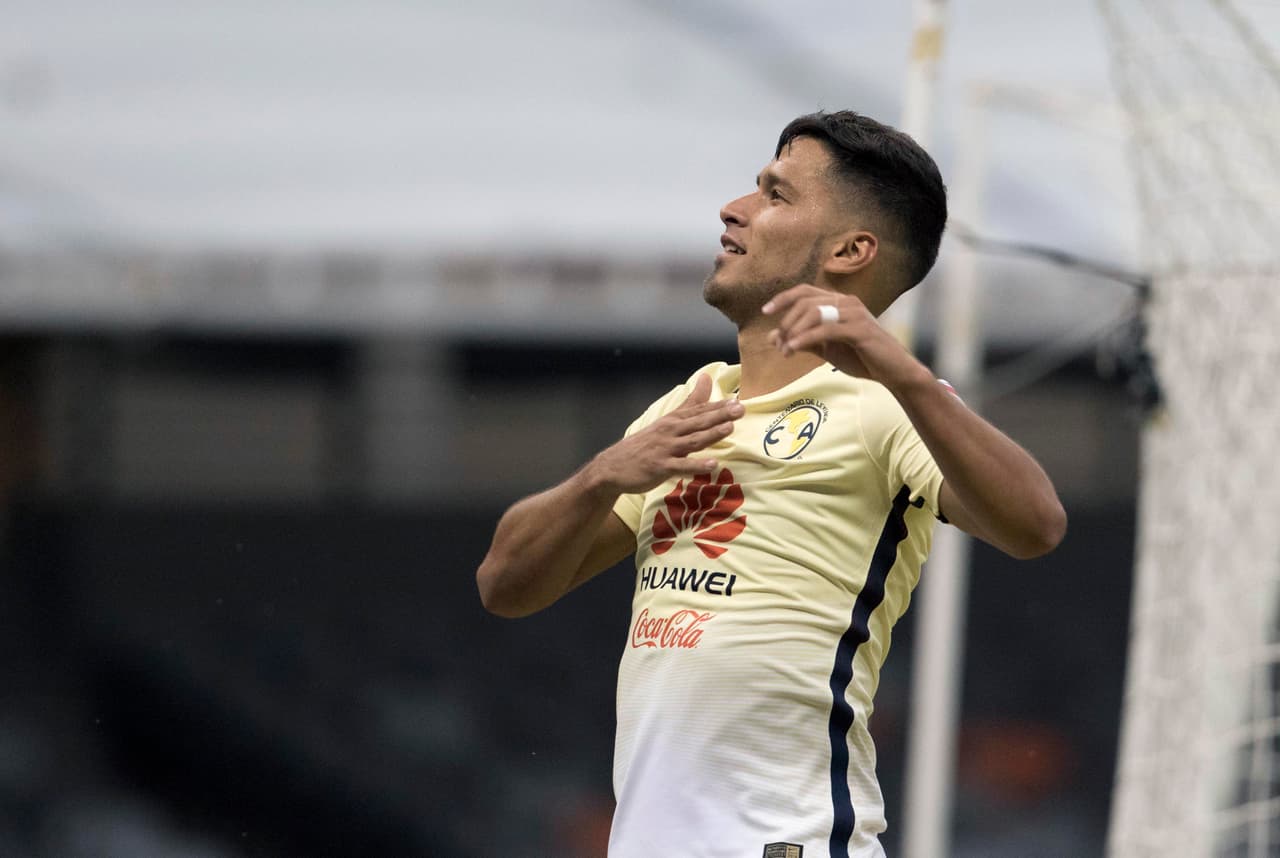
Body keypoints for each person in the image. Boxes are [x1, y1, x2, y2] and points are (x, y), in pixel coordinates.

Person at [476, 110, 1066, 858]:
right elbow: (505, 585)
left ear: (853, 250)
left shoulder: (885, 403)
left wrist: (901, 370)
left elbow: (1036, 524)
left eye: (776, 194)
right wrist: (599, 477)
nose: (735, 208)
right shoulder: (685, 406)